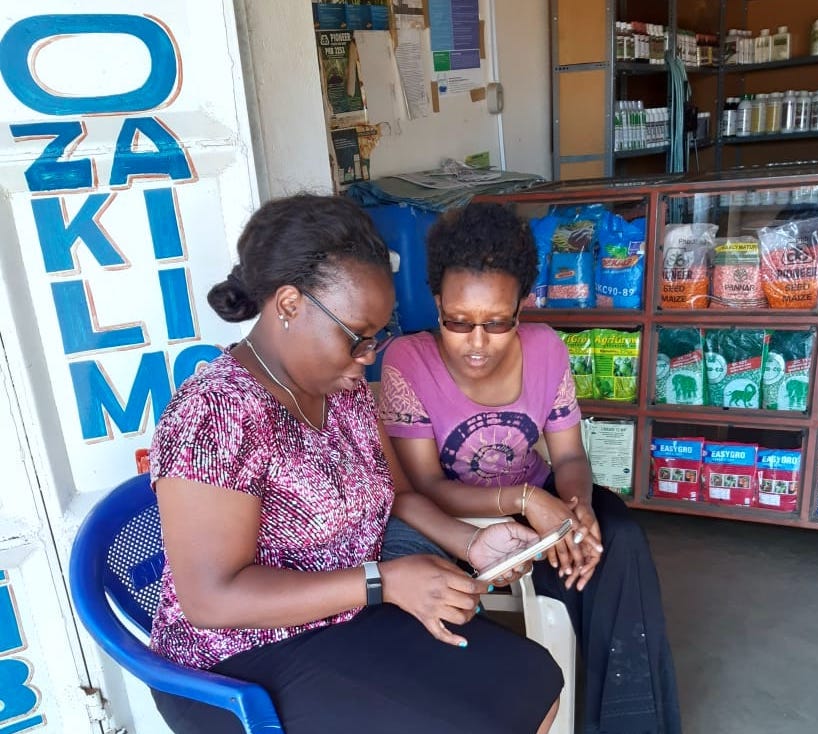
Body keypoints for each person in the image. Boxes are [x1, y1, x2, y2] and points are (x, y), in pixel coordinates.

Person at [147, 194, 564, 734]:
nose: (369, 356)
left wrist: (471, 543)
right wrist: (382, 583)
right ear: (291, 305)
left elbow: (403, 496)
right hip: (239, 660)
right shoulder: (216, 412)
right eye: (357, 337)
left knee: (533, 679)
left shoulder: (341, 391)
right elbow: (211, 598)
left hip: (348, 618)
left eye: (378, 336)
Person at [379, 202, 682, 734]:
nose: (477, 344)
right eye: (459, 323)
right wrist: (525, 502)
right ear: (437, 304)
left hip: (543, 497)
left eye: (497, 323)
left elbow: (567, 457)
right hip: (457, 518)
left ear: (522, 306)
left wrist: (576, 510)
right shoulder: (408, 359)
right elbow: (426, 486)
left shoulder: (546, 349)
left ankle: (632, 724)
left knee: (619, 541)